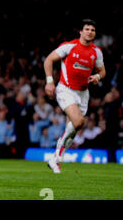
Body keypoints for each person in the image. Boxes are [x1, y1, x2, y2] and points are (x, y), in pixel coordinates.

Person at [44, 19, 106, 173]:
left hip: (83, 93)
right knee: (78, 122)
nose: (90, 32)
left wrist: (97, 77)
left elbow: (102, 71)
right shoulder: (69, 46)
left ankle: (56, 159)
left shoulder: (96, 52)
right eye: (87, 29)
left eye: (92, 29)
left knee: (72, 128)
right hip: (66, 90)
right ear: (81, 31)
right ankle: (57, 154)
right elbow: (49, 60)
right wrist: (50, 82)